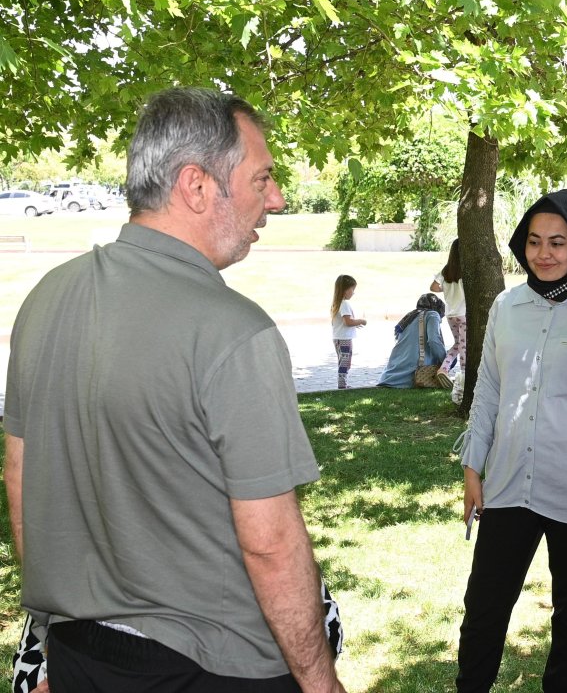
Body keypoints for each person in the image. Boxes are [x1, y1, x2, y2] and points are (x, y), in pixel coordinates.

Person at [2, 87, 344, 691]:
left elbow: (20, 477)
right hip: (214, 665)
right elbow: (270, 544)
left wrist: (51, 638)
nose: (277, 198)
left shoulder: (46, 298)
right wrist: (321, 683)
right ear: (196, 186)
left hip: (81, 655)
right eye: (261, 178)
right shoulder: (235, 331)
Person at [456, 189, 567, 693]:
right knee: (484, 608)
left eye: (557, 242)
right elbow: (488, 387)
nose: (543, 254)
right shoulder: (507, 305)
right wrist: (472, 468)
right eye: (534, 242)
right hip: (507, 485)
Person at [375, 293, 447, 388]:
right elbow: (434, 341)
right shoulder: (432, 315)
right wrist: (446, 361)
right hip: (414, 371)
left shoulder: (411, 316)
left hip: (390, 374)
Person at [432, 239, 467, 403]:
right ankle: (464, 376)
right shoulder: (466, 270)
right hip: (464, 314)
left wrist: (445, 288)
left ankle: (444, 368)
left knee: (458, 344)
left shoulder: (447, 271)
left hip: (450, 314)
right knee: (464, 346)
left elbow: (433, 287)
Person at [330, 274, 365, 389]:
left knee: (344, 360)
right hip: (344, 339)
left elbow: (341, 322)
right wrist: (361, 321)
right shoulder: (344, 304)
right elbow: (347, 322)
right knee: (345, 362)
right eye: (352, 289)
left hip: (338, 337)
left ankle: (343, 382)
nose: (353, 292)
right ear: (345, 290)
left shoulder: (337, 303)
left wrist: (355, 324)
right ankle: (342, 384)